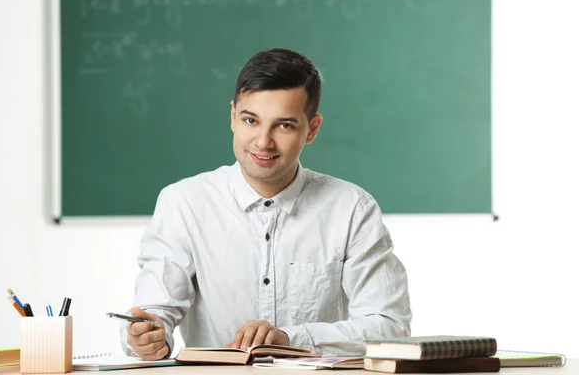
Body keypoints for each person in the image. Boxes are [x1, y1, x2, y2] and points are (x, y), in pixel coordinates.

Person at [121, 48, 412, 360]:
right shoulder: (183, 203)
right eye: (251, 120)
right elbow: (154, 314)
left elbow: (390, 326)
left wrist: (289, 339)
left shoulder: (351, 209)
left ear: (311, 129)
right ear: (233, 116)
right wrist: (149, 336)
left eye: (284, 125)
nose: (263, 141)